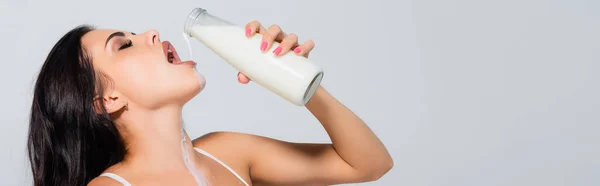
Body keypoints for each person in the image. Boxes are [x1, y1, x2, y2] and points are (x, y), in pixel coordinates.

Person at [27, 20, 393, 186]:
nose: (152, 32)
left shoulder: (229, 152)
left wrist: (298, 80)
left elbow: (369, 164)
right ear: (107, 99)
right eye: (124, 45)